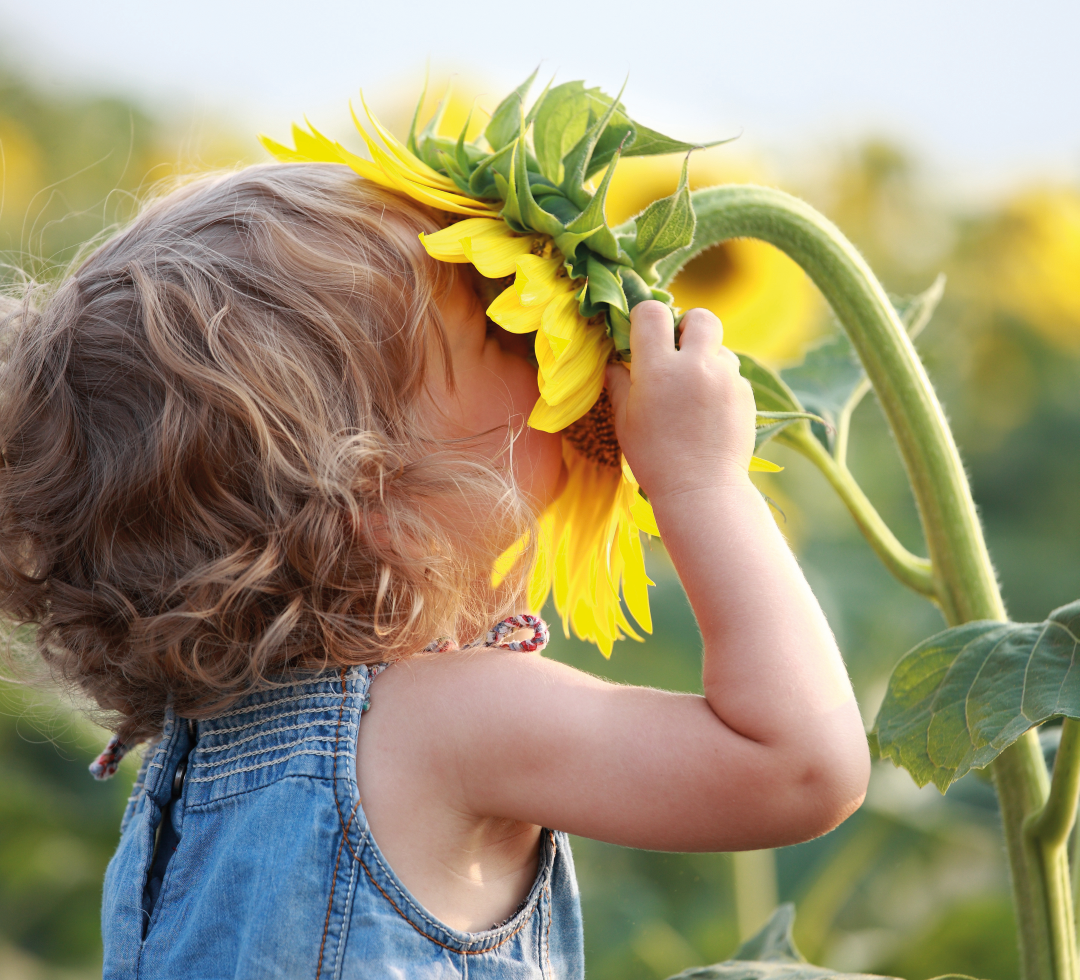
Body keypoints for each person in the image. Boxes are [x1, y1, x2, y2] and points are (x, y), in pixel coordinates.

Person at [0, 162, 869, 979]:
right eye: (500, 333)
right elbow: (799, 767)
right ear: (380, 502)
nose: (544, 357)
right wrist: (699, 478)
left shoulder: (194, 761)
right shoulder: (446, 722)